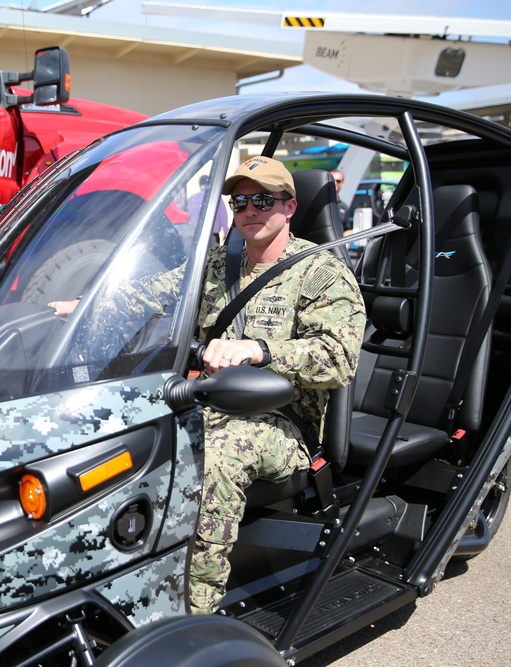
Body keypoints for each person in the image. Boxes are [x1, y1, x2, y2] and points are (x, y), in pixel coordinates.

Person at [190, 156, 364, 614]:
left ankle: (194, 612)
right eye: (240, 200)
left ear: (289, 206)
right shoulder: (215, 266)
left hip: (283, 424)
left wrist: (260, 350)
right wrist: (81, 302)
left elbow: (338, 359)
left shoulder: (320, 272)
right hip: (208, 401)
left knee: (214, 454)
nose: (249, 209)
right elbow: (159, 293)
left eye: (262, 199)